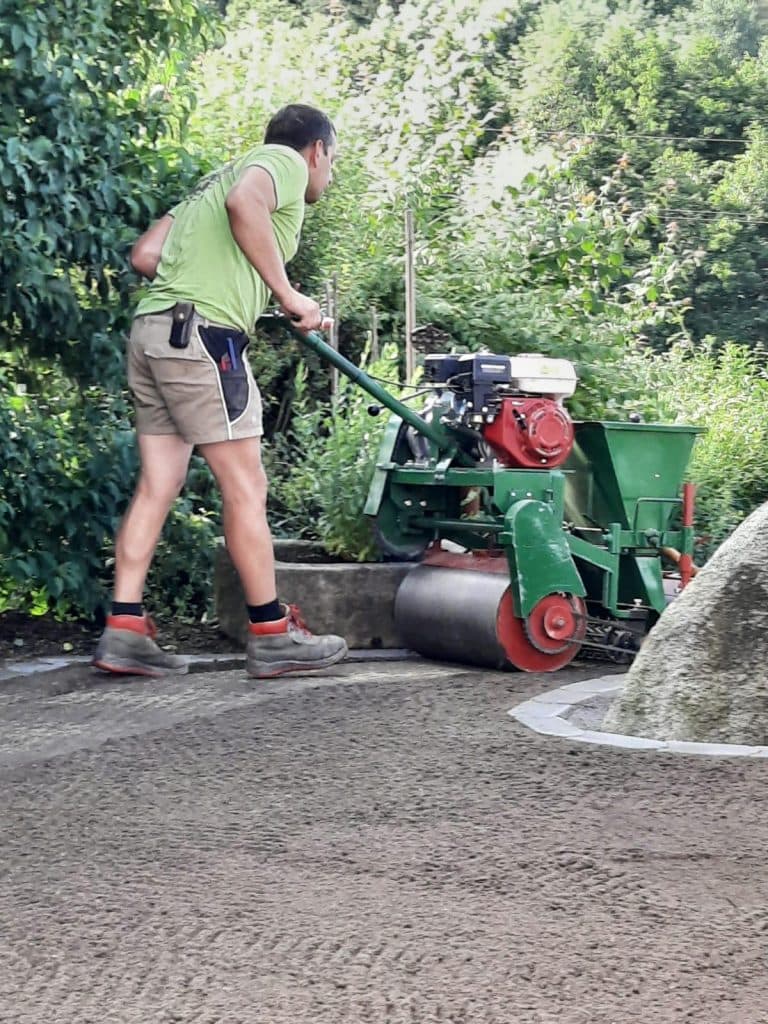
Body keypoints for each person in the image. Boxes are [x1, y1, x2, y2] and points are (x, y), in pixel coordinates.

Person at [92, 103, 348, 680]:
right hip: (204, 338)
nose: (328, 177)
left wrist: (237, 282)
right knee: (246, 483)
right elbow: (245, 207)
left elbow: (146, 255)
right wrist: (286, 294)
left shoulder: (214, 180)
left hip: (154, 330)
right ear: (316, 151)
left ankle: (125, 629)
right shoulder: (281, 160)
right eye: (332, 163)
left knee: (159, 484)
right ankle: (272, 632)